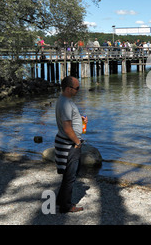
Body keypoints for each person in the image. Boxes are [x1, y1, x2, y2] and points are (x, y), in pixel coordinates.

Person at [54, 76, 87, 213]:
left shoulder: (63, 101)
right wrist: (77, 142)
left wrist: (80, 120)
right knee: (71, 176)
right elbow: (67, 128)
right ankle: (66, 206)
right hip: (69, 144)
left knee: (68, 174)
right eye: (77, 88)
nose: (78, 91)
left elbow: (67, 121)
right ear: (68, 89)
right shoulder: (66, 104)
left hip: (66, 142)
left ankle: (60, 200)